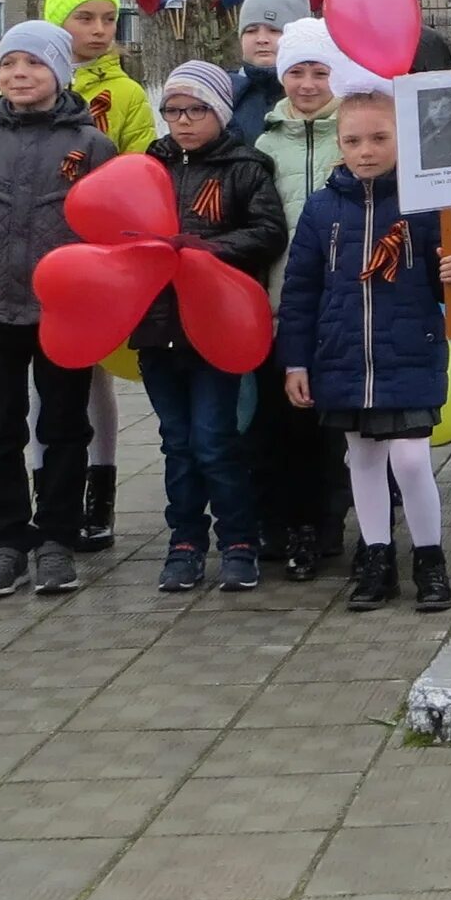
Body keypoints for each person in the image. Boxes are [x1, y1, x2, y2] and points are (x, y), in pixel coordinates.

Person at [0, 21, 118, 599]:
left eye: (34, 64)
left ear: (59, 71)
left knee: (63, 427)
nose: (19, 75)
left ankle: (57, 541)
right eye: (10, 64)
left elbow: (112, 235)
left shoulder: (92, 145)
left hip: (65, 315)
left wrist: (104, 308)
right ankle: (5, 542)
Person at [276, 76, 451, 611]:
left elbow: (448, 279)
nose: (366, 151)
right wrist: (296, 359)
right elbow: (300, 290)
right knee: (360, 459)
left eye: (379, 139)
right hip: (342, 357)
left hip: (408, 350)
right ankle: (376, 558)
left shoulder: (427, 205)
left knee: (410, 460)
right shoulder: (321, 210)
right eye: (354, 141)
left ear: (402, 139)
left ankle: (429, 559)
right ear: (339, 144)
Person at [134, 63, 289, 592]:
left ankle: (239, 540)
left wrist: (206, 252)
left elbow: (268, 232)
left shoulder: (245, 167)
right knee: (176, 443)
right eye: (173, 110)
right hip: (156, 327)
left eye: (195, 109)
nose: (183, 120)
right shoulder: (149, 167)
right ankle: (184, 542)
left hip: (216, 329)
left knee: (215, 440)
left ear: (219, 111)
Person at [37, 0, 149, 553]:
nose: (100, 29)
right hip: (38, 252)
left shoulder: (124, 93)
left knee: (96, 374)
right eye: (85, 17)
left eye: (109, 17)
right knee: (45, 380)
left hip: (98, 252)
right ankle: (47, 492)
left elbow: (137, 168)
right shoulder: (31, 82)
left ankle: (97, 493)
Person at [255, 17, 355, 581]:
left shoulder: (356, 133)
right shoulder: (266, 143)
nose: (309, 84)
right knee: (286, 420)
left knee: (333, 426)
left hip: (342, 304)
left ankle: (329, 523)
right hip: (282, 302)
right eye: (297, 71)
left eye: (321, 71)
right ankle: (292, 523)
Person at [227, 0, 310, 144]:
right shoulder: (224, 94)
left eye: (274, 30)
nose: (262, 39)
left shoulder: (321, 91)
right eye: (251, 31)